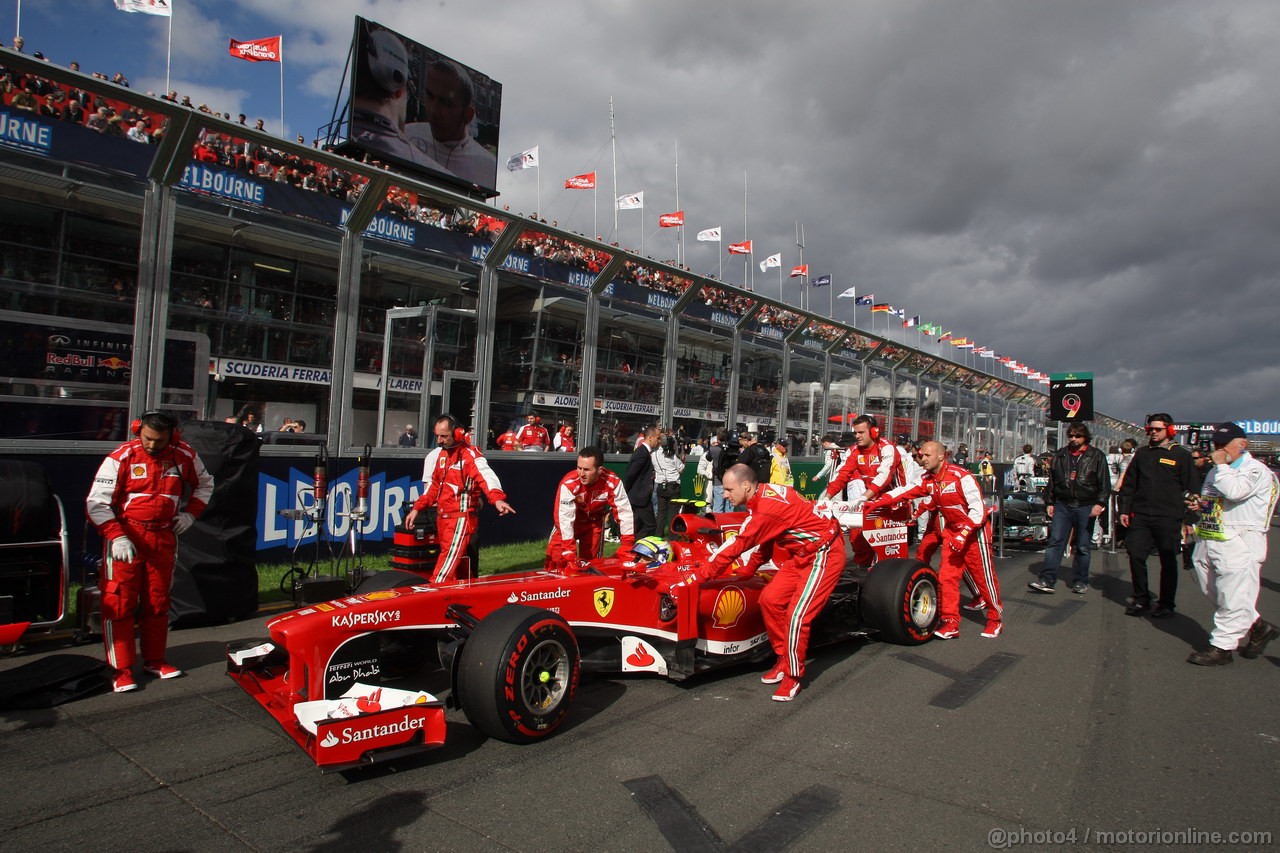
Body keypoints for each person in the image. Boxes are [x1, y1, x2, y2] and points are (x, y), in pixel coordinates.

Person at [667, 464, 845, 702]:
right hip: (801, 555)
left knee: (797, 616)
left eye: (729, 489)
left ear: (746, 485)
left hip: (824, 554)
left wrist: (697, 577)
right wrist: (750, 569)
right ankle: (784, 658)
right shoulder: (764, 495)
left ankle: (793, 675)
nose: (725, 494)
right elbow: (770, 537)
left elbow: (734, 548)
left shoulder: (765, 509)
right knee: (769, 600)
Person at [86, 411, 214, 693]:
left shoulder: (185, 455)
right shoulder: (121, 456)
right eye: (147, 438)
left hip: (164, 537)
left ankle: (155, 660)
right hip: (125, 537)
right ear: (137, 430)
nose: (153, 445)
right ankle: (120, 669)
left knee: (158, 601)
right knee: (118, 603)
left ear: (172, 435)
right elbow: (96, 503)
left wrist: (190, 515)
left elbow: (206, 483)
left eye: (159, 440)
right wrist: (117, 536)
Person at [865, 440, 1003, 640]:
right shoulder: (927, 479)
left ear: (941, 456)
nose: (923, 459)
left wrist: (964, 534)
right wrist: (879, 501)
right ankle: (951, 622)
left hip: (975, 533)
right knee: (947, 577)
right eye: (922, 455)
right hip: (952, 532)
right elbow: (903, 491)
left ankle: (995, 618)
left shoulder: (960, 476)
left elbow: (978, 510)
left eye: (927, 455)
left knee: (984, 578)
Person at [1186, 422, 1279, 665]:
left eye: (1223, 445)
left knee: (1233, 594)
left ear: (1241, 445)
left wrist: (1221, 465)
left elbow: (1236, 492)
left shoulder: (1256, 470)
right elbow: (1213, 498)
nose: (1218, 450)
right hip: (1211, 535)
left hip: (1240, 538)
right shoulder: (1217, 470)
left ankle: (1222, 647)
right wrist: (1201, 505)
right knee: (1209, 585)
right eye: (1216, 444)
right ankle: (1257, 625)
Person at [404, 415, 515, 583]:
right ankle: (467, 597)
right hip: (443, 519)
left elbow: (487, 477)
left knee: (444, 570)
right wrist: (417, 509)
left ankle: (432, 598)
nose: (439, 440)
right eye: (437, 436)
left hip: (460, 520)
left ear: (457, 433)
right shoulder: (442, 456)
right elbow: (434, 487)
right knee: (460, 566)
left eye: (444, 436)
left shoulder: (470, 456)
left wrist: (497, 499)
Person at [1118, 413, 1198, 617]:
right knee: (1135, 554)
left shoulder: (1181, 455)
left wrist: (1190, 520)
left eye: (1158, 429)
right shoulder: (1143, 453)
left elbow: (1193, 489)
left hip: (1169, 517)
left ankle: (1166, 603)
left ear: (1169, 431)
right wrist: (1125, 510)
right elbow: (1129, 484)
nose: (1153, 432)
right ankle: (1141, 599)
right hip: (1142, 516)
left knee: (1168, 559)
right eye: (1150, 429)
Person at [1028, 424, 1111, 595]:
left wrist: (1100, 503)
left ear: (1085, 437)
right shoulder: (1061, 455)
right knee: (1055, 541)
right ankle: (1047, 579)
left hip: (1086, 504)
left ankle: (1080, 580)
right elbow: (1053, 480)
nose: (1073, 439)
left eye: (1077, 436)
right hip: (1063, 504)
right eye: (1071, 435)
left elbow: (1104, 482)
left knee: (1082, 545)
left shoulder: (1096, 456)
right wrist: (1050, 502)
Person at [822, 415, 911, 567]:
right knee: (858, 537)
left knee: (888, 549)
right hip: (871, 499)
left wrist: (863, 497)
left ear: (874, 431)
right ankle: (863, 570)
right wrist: (826, 497)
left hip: (894, 502)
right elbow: (841, 475)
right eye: (855, 432)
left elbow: (885, 477)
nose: (857, 436)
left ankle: (892, 578)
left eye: (861, 432)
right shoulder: (854, 451)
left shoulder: (887, 448)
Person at [404, 59, 498, 188]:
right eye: (430, 96)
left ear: (468, 115)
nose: (433, 110)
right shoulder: (407, 134)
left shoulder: (488, 166)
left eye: (446, 103)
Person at [545, 446, 636, 569]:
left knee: (592, 565)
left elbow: (624, 513)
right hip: (567, 525)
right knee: (556, 563)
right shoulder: (569, 483)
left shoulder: (612, 482)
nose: (581, 474)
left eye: (587, 470)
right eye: (579, 468)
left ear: (600, 470)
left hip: (593, 525)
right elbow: (564, 518)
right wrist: (568, 549)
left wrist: (627, 544)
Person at [624, 426, 661, 537]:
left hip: (640, 496)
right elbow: (630, 474)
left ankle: (635, 546)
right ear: (650, 437)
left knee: (639, 524)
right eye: (657, 438)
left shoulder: (644, 452)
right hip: (640, 497)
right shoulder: (642, 453)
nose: (659, 441)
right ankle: (637, 545)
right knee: (650, 525)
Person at [652, 429, 684, 536]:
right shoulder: (673, 457)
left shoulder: (654, 455)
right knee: (673, 512)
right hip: (673, 486)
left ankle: (658, 534)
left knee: (661, 512)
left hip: (661, 486)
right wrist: (683, 461)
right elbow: (681, 469)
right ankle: (673, 535)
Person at [735, 432, 772, 497]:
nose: (742, 446)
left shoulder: (749, 451)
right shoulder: (765, 450)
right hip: (764, 483)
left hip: (752, 483)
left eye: (742, 443)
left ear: (746, 440)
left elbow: (738, 466)